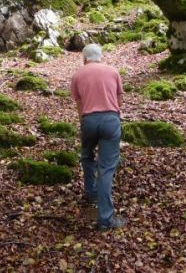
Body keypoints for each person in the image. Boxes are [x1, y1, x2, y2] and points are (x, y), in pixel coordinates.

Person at [70, 43, 126, 231]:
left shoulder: (78, 74)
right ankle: (105, 219)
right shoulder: (113, 71)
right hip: (111, 119)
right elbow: (119, 101)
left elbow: (79, 103)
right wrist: (114, 118)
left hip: (89, 120)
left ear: (84, 58)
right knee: (106, 168)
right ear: (100, 56)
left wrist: (84, 122)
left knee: (86, 155)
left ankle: (91, 192)